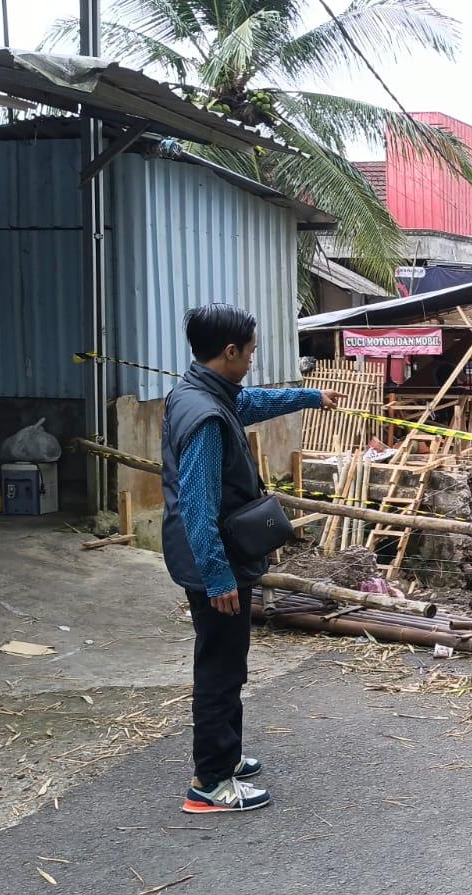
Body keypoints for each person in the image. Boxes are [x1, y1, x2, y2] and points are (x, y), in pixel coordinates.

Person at [161, 304, 342, 814]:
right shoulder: (205, 417)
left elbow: (252, 402)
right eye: (251, 352)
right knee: (220, 668)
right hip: (213, 562)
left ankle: (227, 754)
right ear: (230, 351)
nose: (252, 360)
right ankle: (211, 783)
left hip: (213, 556)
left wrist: (310, 397)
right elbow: (198, 507)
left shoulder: (201, 394)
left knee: (229, 661)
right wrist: (219, 577)